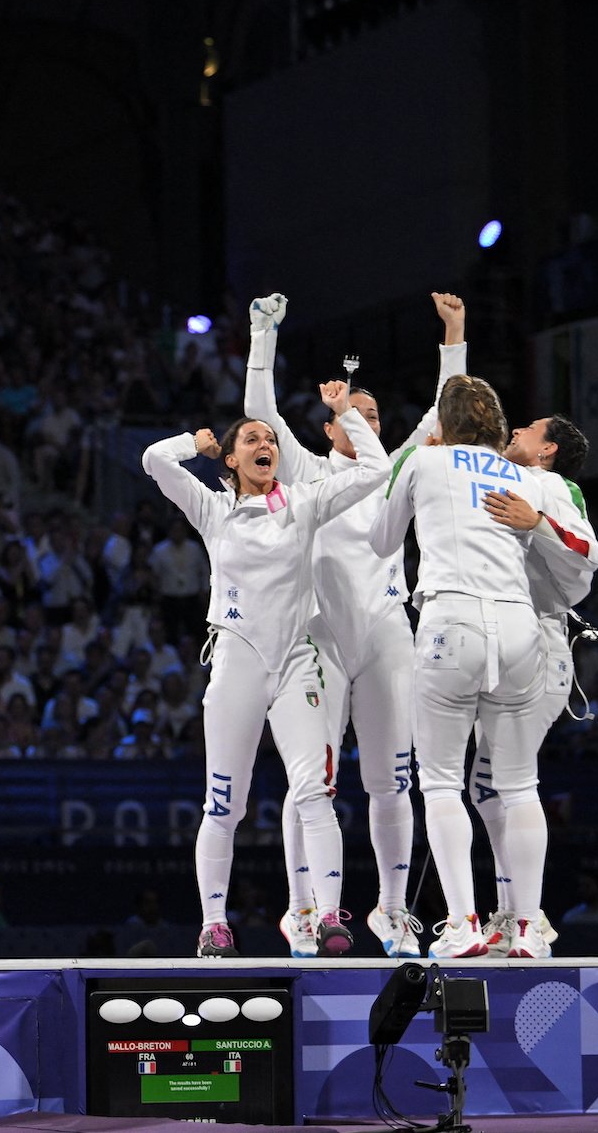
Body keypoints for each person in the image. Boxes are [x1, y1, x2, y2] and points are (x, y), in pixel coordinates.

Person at [244, 291, 466, 958]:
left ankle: (392, 912)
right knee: (313, 780)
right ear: (330, 427)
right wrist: (264, 335)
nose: (364, 417)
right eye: (352, 412)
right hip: (321, 639)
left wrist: (453, 333)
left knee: (393, 781)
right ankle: (302, 908)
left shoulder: (398, 466)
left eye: (372, 412)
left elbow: (441, 411)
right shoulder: (307, 470)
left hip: (387, 636)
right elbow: (260, 412)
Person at [141, 380, 388, 957]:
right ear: (231, 459)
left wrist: (346, 414)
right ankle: (213, 925)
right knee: (224, 802)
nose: (265, 442)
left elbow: (375, 470)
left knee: (315, 792)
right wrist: (193, 443)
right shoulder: (214, 508)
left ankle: (328, 916)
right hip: (239, 660)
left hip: (300, 660)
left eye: (271, 438)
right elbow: (154, 460)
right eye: (251, 437)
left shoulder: (306, 501)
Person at [369, 374, 546, 959]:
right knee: (520, 787)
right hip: (520, 625)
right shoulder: (524, 475)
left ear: (442, 424)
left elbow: (381, 539)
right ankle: (525, 929)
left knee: (442, 781)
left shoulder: (424, 461)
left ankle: (464, 924)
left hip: (452, 623)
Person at [472, 409, 598, 958]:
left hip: (542, 647)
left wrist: (538, 524)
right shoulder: (511, 480)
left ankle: (529, 919)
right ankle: (510, 911)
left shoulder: (553, 486)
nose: (515, 431)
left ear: (546, 449)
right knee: (485, 786)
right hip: (501, 649)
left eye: (527, 429)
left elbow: (587, 560)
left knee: (515, 784)